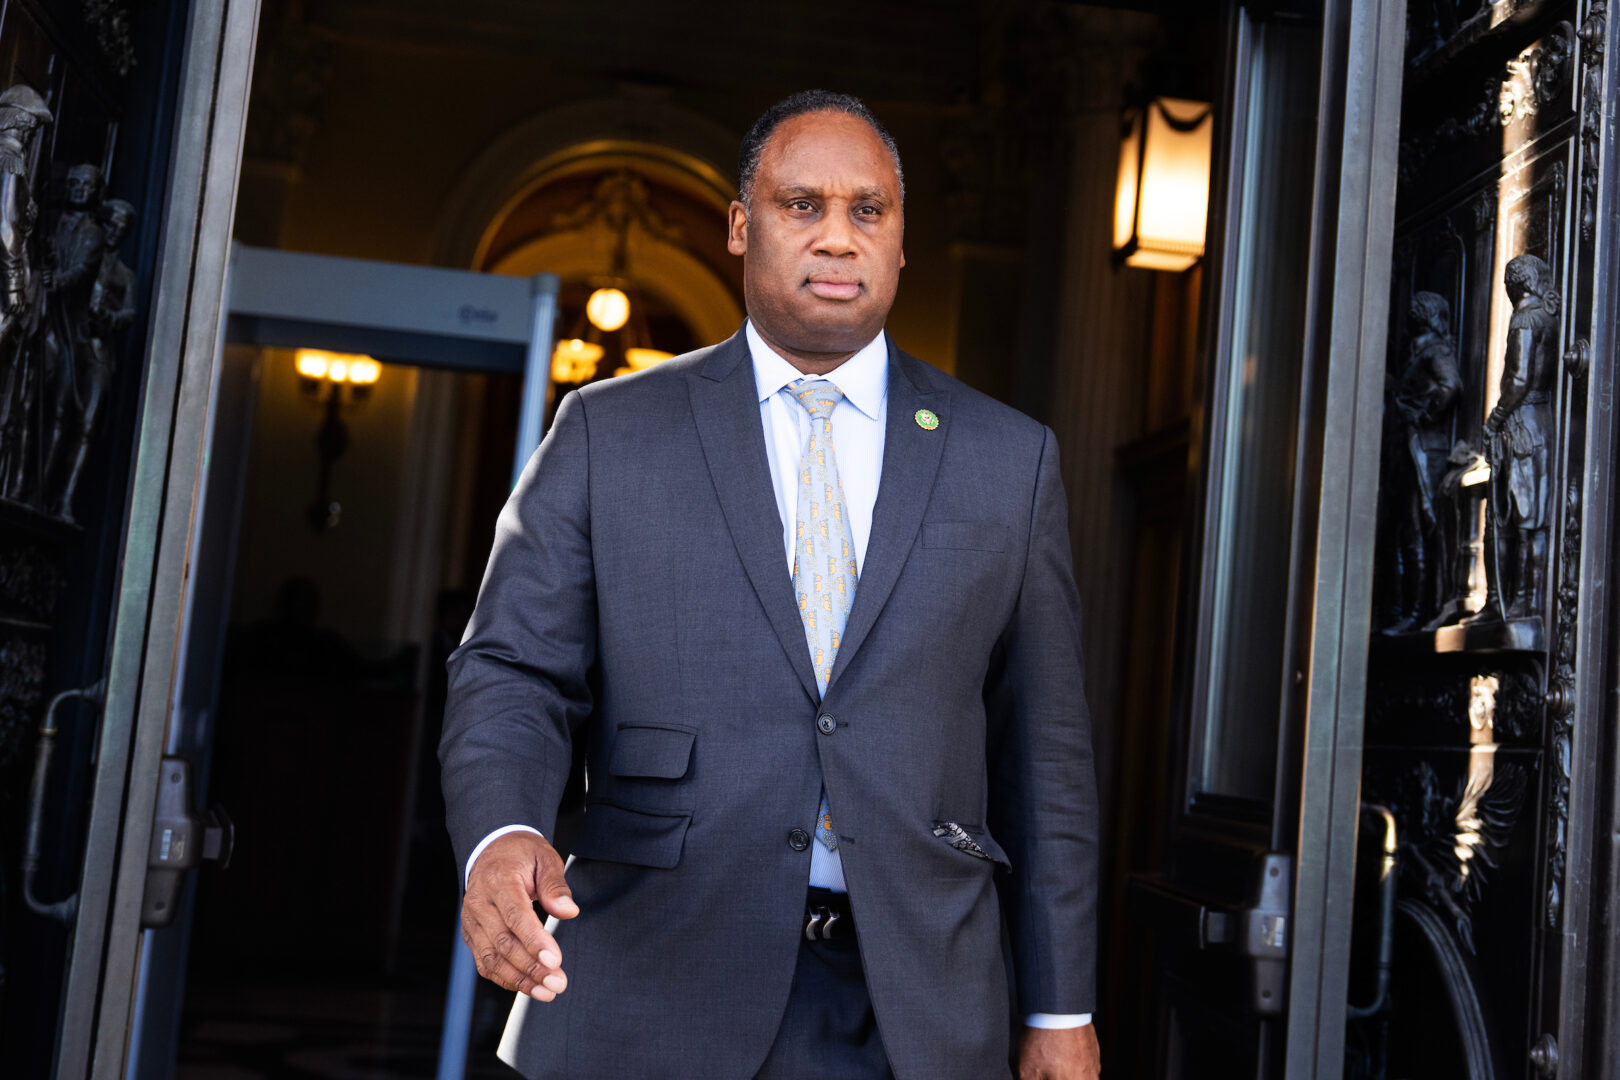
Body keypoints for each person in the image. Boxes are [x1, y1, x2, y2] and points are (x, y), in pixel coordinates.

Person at [441, 90, 1101, 1080]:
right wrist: (504, 830)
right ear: (743, 228)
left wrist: (1060, 1007)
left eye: (868, 209)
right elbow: (513, 673)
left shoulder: (1009, 462)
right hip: (652, 982)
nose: (839, 237)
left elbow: (1046, 754)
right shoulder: (607, 433)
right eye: (803, 205)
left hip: (916, 1009)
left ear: (902, 237)